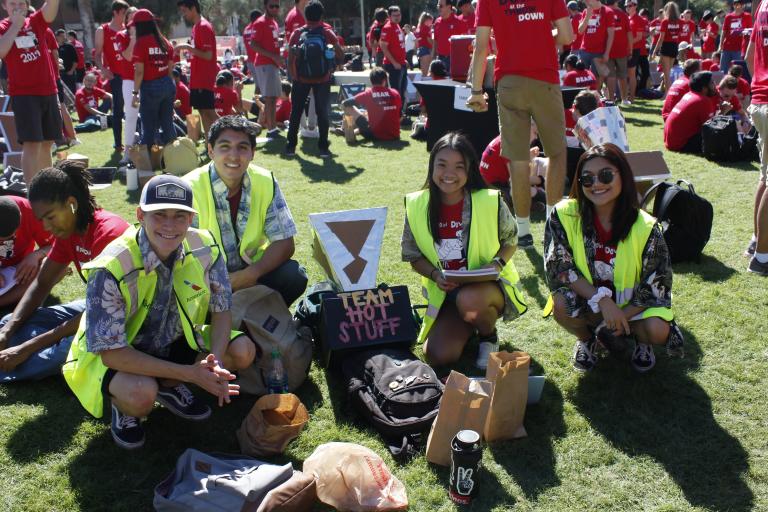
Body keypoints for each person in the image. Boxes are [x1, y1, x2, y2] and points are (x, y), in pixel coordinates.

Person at [63, 175, 255, 449]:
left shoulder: (205, 245)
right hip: (120, 354)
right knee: (141, 395)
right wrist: (191, 374)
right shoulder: (110, 266)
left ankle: (168, 383)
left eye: (179, 216)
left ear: (191, 219)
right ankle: (126, 408)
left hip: (176, 339)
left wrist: (215, 363)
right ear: (140, 215)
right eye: (159, 215)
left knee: (242, 351)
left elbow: (222, 309)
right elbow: (112, 353)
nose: (169, 225)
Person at [544, 143, 683, 373]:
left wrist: (620, 315)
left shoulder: (645, 226)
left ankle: (642, 342)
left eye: (605, 175)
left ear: (623, 176)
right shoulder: (563, 214)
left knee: (657, 329)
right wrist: (603, 302)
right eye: (587, 179)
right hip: (592, 300)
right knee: (561, 304)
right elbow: (561, 267)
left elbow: (656, 284)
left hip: (634, 307)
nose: (596, 184)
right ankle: (587, 339)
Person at [401, 132, 527, 369]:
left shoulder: (489, 200)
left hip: (486, 290)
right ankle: (468, 323)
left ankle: (488, 336)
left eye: (459, 166)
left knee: (470, 299)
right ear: (432, 167)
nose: (449, 173)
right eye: (442, 164)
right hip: (447, 294)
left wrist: (497, 264)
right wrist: (436, 275)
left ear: (470, 169)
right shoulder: (417, 204)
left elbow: (511, 239)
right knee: (438, 355)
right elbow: (413, 255)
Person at [0, 161, 129, 382]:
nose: (47, 228)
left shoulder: (109, 234)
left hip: (123, 318)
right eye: (42, 221)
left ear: (71, 204)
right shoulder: (69, 231)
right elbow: (42, 283)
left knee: (67, 348)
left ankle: (11, 367)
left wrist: (27, 347)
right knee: (7, 321)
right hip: (95, 308)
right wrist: (8, 331)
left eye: (50, 217)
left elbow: (103, 313)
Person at [468, 0, 573, 248]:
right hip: (544, 79)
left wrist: (475, 90)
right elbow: (567, 35)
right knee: (557, 153)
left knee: (517, 158)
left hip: (509, 82)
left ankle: (523, 230)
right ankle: (552, 226)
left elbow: (481, 46)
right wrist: (539, 32)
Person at [184, 116, 308, 307]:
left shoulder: (264, 180)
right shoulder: (188, 188)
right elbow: (176, 257)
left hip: (251, 274)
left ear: (252, 153)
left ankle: (257, 320)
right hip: (205, 282)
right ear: (210, 150)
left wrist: (250, 274)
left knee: (294, 276)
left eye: (242, 147)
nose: (234, 155)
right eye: (224, 146)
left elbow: (285, 241)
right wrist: (221, 282)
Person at [0, 0, 61, 186]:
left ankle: (48, 186)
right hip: (24, 94)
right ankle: (32, 190)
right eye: (12, 3)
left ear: (27, 5)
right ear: (4, 6)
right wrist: (16, 25)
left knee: (47, 143)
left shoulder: (35, 22)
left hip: (48, 90)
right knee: (32, 144)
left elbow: (50, 11)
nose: (17, 6)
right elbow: (2, 51)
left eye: (21, 3)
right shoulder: (3, 27)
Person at [284, 0, 343, 158]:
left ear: (306, 15)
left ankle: (291, 147)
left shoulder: (297, 33)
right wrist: (331, 63)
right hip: (322, 79)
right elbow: (340, 53)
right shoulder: (326, 32)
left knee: (295, 112)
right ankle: (323, 148)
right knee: (322, 112)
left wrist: (295, 76)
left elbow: (289, 60)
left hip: (301, 79)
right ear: (321, 16)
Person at [131, 8, 176, 151]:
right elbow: (170, 70)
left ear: (140, 26)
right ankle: (175, 159)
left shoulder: (140, 44)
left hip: (150, 87)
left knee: (148, 129)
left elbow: (139, 72)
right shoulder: (165, 42)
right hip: (167, 85)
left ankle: (146, 167)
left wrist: (135, 93)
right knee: (168, 125)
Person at [745, 8, 768, 274]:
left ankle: (757, 243)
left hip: (760, 99)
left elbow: (750, 55)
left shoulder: (762, 5)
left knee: (764, 176)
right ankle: (762, 258)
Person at [176, 0, 219, 138]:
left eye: (185, 11)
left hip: (204, 77)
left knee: (210, 112)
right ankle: (209, 143)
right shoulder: (196, 27)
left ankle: (232, 133)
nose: (183, 15)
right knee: (202, 111)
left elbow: (208, 55)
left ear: (193, 8)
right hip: (197, 77)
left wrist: (187, 48)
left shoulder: (203, 26)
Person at [0, 196, 52, 308]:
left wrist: (37, 254)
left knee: (50, 265)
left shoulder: (32, 212)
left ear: (20, 217)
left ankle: (3, 301)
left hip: (20, 269)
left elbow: (59, 246)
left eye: (10, 237)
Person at [95, 0, 129, 151]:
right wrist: (103, 69)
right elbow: (97, 55)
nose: (125, 17)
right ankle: (118, 143)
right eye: (123, 14)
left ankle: (135, 141)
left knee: (135, 107)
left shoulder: (128, 29)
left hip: (131, 74)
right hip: (116, 76)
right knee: (118, 109)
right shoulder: (103, 30)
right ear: (115, 12)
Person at [340, 67, 401, 144]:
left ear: (371, 81)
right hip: (394, 135)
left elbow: (345, 103)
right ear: (385, 80)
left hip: (375, 135)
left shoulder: (368, 93)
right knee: (370, 116)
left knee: (347, 108)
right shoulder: (395, 93)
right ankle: (351, 131)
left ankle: (349, 135)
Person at [250, 0, 283, 138]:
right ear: (265, 7)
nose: (275, 9)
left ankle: (273, 126)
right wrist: (273, 56)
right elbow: (253, 45)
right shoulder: (260, 22)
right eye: (272, 6)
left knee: (274, 97)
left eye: (277, 6)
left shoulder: (273, 22)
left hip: (272, 64)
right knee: (269, 98)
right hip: (264, 64)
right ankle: (271, 129)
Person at [663, 71, 717, 153]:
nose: (714, 86)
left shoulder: (689, 94)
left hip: (670, 142)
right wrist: (723, 113)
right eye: (712, 83)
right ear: (704, 88)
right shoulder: (703, 100)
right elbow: (711, 129)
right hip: (681, 144)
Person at [115, 6, 141, 152]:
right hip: (130, 81)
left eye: (136, 17)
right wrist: (133, 37)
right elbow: (128, 56)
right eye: (130, 16)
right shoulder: (121, 35)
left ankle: (150, 148)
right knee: (131, 116)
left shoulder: (145, 35)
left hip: (146, 80)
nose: (133, 20)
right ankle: (128, 152)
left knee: (150, 115)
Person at [578, 0, 614, 93]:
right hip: (584, 50)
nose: (586, 1)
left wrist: (607, 53)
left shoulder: (608, 12)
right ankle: (582, 98)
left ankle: (596, 99)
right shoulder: (586, 11)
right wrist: (587, 17)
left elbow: (611, 34)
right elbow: (580, 31)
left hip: (599, 51)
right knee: (582, 77)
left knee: (597, 78)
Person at [379, 5, 407, 116]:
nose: (397, 17)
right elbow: (383, 46)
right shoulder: (388, 27)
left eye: (398, 14)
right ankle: (396, 115)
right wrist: (394, 62)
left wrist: (404, 60)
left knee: (402, 91)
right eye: (394, 15)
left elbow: (399, 46)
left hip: (401, 64)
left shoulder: (397, 26)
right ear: (389, 16)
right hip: (393, 65)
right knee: (396, 92)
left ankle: (400, 114)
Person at [651, 1, 682, 95]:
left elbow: (661, 38)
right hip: (674, 47)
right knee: (667, 73)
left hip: (666, 46)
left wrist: (654, 51)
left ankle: (667, 95)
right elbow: (678, 35)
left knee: (667, 74)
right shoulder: (680, 21)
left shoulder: (665, 21)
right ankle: (667, 93)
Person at [604, 0, 631, 104]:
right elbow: (629, 33)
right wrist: (631, 49)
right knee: (622, 75)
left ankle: (611, 99)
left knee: (611, 76)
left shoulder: (604, 13)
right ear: (615, 2)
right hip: (621, 50)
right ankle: (624, 99)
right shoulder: (623, 14)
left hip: (607, 49)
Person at [432, 0, 465, 73]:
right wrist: (433, 60)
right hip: (440, 59)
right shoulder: (437, 22)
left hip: (454, 60)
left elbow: (464, 43)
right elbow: (435, 41)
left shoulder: (459, 22)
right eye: (438, 6)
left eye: (441, 6)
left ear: (449, 7)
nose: (438, 8)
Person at [719, 0, 751, 72]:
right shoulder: (728, 17)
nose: (737, 6)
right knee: (723, 69)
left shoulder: (747, 16)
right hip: (726, 47)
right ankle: (722, 83)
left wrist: (744, 33)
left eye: (739, 5)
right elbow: (723, 31)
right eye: (735, 5)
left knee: (737, 70)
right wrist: (720, 44)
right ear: (733, 6)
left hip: (739, 48)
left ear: (742, 6)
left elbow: (749, 31)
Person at [627, 0, 648, 100]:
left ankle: (632, 96)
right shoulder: (628, 18)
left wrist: (627, 44)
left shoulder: (639, 19)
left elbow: (639, 37)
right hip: (628, 49)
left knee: (632, 73)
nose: (627, 7)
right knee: (627, 73)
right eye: (626, 5)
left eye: (629, 5)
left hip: (635, 49)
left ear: (635, 6)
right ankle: (627, 95)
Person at [415, 12, 434, 77]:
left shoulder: (419, 27)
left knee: (424, 72)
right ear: (426, 20)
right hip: (426, 49)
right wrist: (435, 46)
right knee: (428, 71)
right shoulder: (425, 28)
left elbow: (417, 42)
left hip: (421, 49)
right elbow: (429, 39)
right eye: (431, 21)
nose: (431, 23)